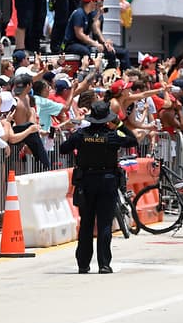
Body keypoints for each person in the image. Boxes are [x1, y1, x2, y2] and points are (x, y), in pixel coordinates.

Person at [58, 100, 137, 274]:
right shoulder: (112, 135)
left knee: (86, 223)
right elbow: (133, 140)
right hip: (107, 181)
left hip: (86, 181)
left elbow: (63, 148)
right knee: (104, 224)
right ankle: (104, 264)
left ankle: (83, 264)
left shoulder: (81, 135)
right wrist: (120, 124)